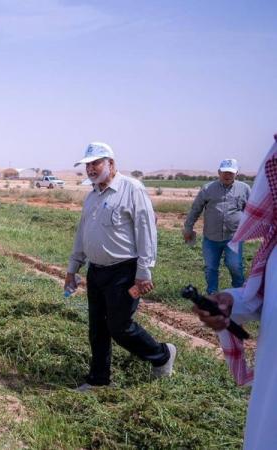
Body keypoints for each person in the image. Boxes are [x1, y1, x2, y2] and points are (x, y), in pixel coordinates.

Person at [64, 142, 176, 391]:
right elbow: (82, 234)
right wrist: (73, 268)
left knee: (119, 327)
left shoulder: (132, 189)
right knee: (97, 328)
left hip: (124, 271)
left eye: (95, 163)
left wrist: (144, 271)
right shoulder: (92, 196)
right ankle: (98, 380)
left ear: (111, 163)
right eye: (87, 165)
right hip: (96, 271)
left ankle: (162, 355)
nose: (90, 169)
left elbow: (146, 231)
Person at [193, 135, 277, 449]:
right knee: (213, 271)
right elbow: (266, 301)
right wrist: (234, 301)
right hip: (268, 415)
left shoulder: (242, 190)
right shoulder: (275, 254)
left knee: (234, 265)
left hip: (231, 240)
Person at [183, 158, 252, 294]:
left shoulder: (244, 189)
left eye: (231, 173)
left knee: (235, 265)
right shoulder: (207, 189)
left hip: (234, 237)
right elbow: (195, 209)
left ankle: (239, 294)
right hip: (211, 238)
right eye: (225, 172)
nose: (227, 175)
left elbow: (252, 211)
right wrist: (188, 227)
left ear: (236, 173)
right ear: (219, 172)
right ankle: (212, 294)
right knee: (211, 268)